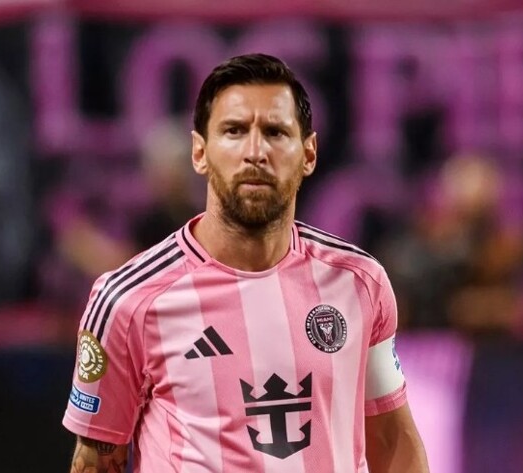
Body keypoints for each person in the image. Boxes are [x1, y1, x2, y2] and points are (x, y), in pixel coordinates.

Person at [63, 53, 429, 473]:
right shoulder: (127, 301)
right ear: (200, 152)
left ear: (309, 154)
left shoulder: (359, 283)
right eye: (234, 131)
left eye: (275, 132)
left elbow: (391, 439)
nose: (256, 151)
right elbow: (95, 461)